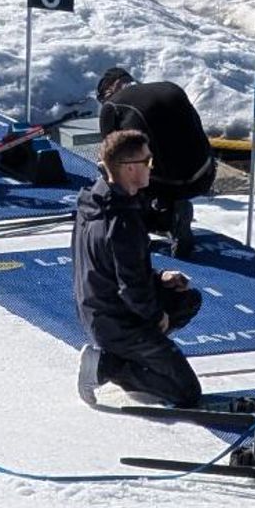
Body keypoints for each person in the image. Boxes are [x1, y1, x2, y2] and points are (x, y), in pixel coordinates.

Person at [73, 129, 205, 407]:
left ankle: (133, 354)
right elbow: (131, 288)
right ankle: (108, 366)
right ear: (130, 168)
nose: (151, 167)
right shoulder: (122, 221)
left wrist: (159, 278)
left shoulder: (95, 199)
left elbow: (114, 267)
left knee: (187, 300)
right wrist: (157, 316)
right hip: (116, 322)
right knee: (187, 393)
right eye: (148, 161)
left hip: (97, 308)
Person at [95, 67, 216, 257]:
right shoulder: (169, 87)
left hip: (161, 183)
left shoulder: (112, 106)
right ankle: (174, 208)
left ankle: (142, 228)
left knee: (116, 173)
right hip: (203, 175)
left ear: (110, 90)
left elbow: (110, 160)